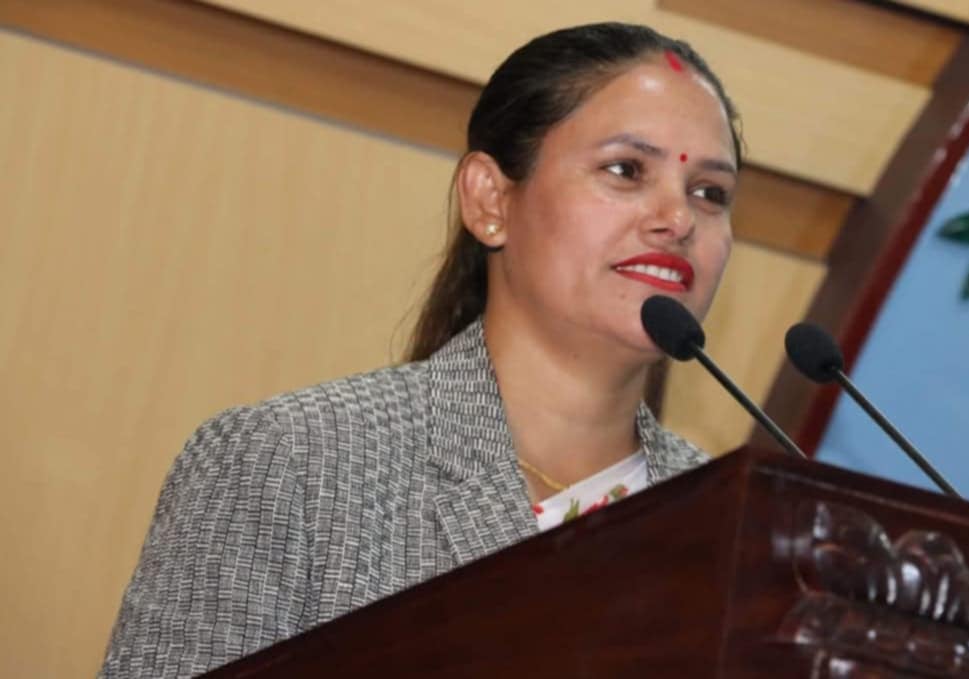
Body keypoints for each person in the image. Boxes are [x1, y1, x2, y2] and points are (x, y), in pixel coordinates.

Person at [98, 21, 742, 678]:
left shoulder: (740, 530)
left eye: (710, 193)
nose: (678, 218)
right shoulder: (291, 465)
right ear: (490, 200)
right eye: (626, 170)